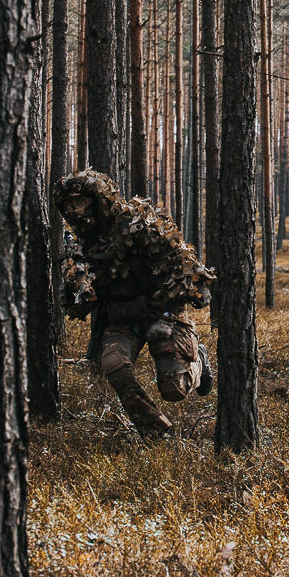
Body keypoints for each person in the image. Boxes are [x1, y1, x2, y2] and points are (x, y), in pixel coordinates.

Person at [53, 170, 213, 439]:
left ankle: (199, 361)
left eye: (81, 203)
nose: (76, 212)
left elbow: (182, 266)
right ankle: (157, 432)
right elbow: (80, 305)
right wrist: (74, 290)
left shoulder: (136, 223)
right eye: (70, 206)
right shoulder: (82, 244)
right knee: (114, 364)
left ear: (98, 200)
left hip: (163, 311)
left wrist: (168, 315)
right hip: (123, 318)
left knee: (174, 389)